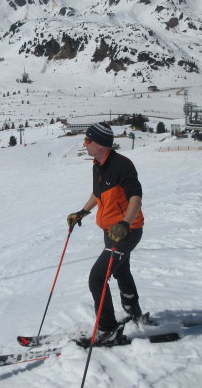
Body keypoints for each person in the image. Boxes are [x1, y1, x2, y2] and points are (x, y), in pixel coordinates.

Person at [67, 122, 144, 345]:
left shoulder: (123, 165)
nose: (85, 144)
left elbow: (136, 199)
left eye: (88, 140)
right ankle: (132, 311)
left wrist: (125, 224)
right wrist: (82, 212)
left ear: (101, 144)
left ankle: (108, 328)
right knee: (121, 272)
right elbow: (97, 193)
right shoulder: (97, 165)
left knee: (97, 277)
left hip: (127, 232)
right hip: (110, 231)